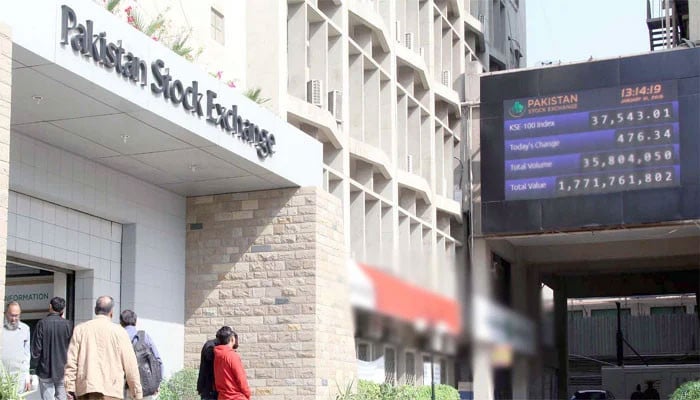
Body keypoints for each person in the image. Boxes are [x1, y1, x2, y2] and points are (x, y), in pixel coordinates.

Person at [64, 296, 142, 400]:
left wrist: (69, 387)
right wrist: (137, 393)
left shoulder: (80, 330)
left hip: (86, 390)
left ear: (95, 310)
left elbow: (72, 361)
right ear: (111, 312)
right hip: (112, 391)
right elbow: (130, 366)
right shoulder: (120, 332)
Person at [31, 297, 73, 400]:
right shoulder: (68, 325)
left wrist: (33, 368)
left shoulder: (42, 324)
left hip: (45, 369)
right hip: (62, 369)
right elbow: (72, 349)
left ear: (50, 306)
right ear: (63, 309)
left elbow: (36, 349)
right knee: (62, 397)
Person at [119, 310, 162, 399]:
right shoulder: (144, 336)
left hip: (125, 388)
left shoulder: (118, 337)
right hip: (146, 388)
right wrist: (157, 383)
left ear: (121, 322)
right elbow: (158, 360)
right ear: (135, 321)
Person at [1, 301, 31, 394]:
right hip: (2, 377)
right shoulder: (1, 329)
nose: (14, 319)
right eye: (11, 315)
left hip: (19, 378)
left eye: (16, 315)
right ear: (6, 313)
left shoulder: (25, 329)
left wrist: (27, 377)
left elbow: (27, 355)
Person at [213, 327, 250, 400]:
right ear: (232, 339)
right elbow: (241, 378)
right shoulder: (232, 356)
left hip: (222, 397)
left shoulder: (217, 355)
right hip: (236, 397)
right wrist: (247, 394)